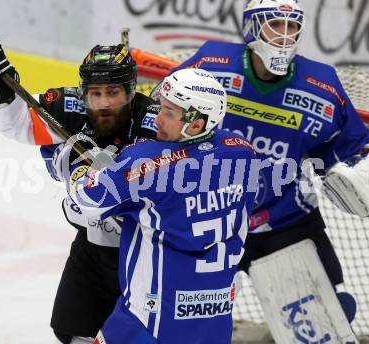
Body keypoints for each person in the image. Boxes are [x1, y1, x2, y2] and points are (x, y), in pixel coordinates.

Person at [172, 0, 369, 336]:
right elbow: (165, 116)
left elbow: (352, 148)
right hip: (211, 216)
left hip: (287, 220)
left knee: (327, 317)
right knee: (185, 322)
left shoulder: (321, 85)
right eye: (274, 24)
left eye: (291, 25)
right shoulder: (211, 64)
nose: (284, 35)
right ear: (253, 27)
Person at [0, 37, 159, 343]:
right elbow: (20, 123)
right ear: (83, 92)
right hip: (92, 249)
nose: (104, 102)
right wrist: (2, 97)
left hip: (144, 256)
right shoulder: (67, 109)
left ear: (131, 90)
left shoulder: (155, 125)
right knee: (72, 330)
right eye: (95, 93)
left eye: (113, 92)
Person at [53, 68, 258, 344]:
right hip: (214, 322)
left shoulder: (147, 163)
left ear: (197, 123)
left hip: (149, 323)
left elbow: (88, 199)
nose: (157, 118)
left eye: (169, 113)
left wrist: (73, 165)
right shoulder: (243, 150)